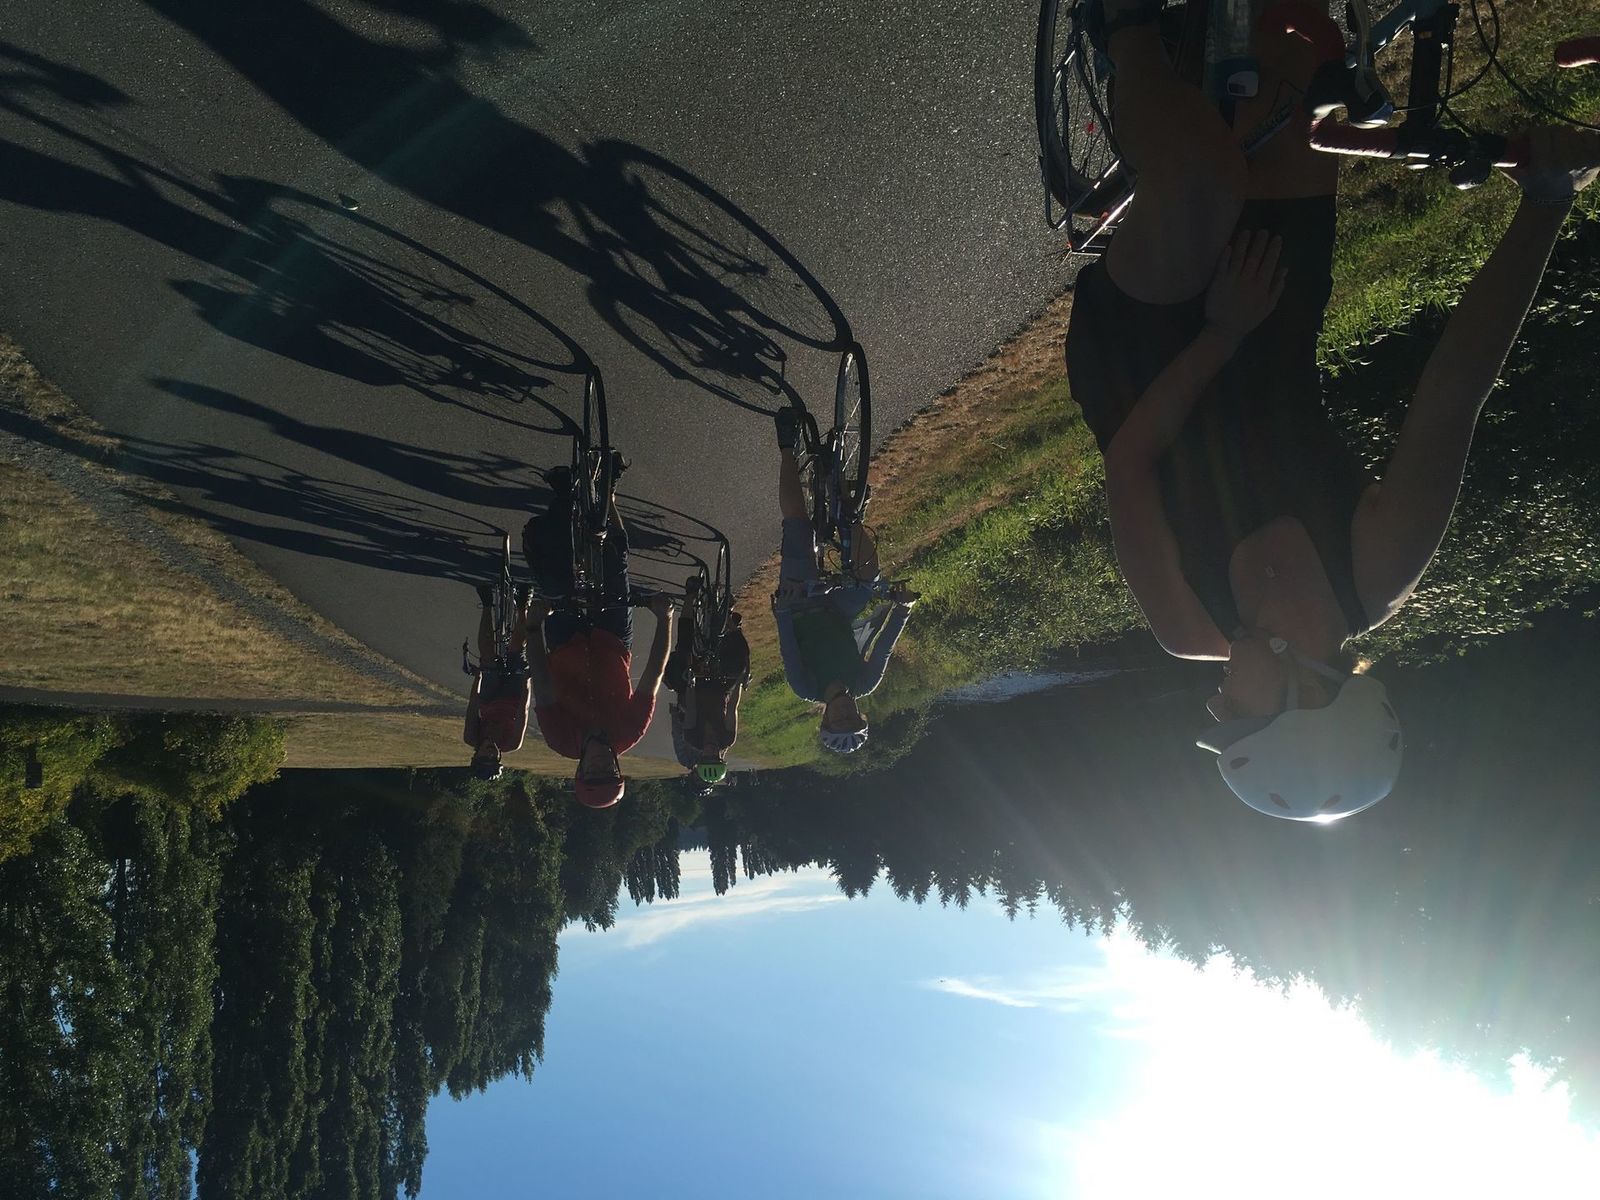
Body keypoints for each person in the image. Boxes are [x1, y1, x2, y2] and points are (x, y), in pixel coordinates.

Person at [1063, 0, 1600, 818]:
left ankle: (1126, 32)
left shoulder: (1186, 624)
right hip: (1271, 313)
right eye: (1235, 718)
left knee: (1204, 180)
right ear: (1306, 693)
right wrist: (1546, 202)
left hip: (1143, 368)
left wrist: (1221, 334)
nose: (1214, 705)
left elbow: (1130, 460)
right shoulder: (1377, 568)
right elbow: (1454, 392)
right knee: (1292, 59)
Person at [522, 464, 675, 808]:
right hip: (612, 640)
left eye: (594, 772)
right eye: (609, 771)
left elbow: (542, 683)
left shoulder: (560, 739)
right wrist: (664, 619)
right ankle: (608, 493)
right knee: (616, 561)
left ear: (580, 771)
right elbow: (653, 674)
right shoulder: (630, 732)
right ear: (618, 769)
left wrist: (533, 627)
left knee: (555, 581)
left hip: (564, 644)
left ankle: (564, 494)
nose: (601, 763)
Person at [771, 408, 918, 754]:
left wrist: (783, 609)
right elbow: (883, 648)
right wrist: (903, 609)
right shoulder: (865, 683)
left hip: (801, 604)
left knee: (798, 525)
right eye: (853, 719)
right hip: (838, 609)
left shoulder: (805, 687)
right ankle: (850, 516)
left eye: (838, 721)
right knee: (869, 576)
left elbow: (789, 647)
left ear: (825, 719)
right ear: (859, 715)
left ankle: (787, 444)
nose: (845, 714)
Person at [665, 598, 751, 785]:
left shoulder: (692, 738)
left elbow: (691, 709)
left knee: (681, 656)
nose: (711, 751)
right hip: (719, 690)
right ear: (721, 757)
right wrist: (740, 682)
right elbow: (732, 708)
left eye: (706, 757)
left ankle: (689, 599)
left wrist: (691, 682)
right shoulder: (727, 738)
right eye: (715, 756)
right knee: (740, 663)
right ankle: (729, 620)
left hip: (694, 692)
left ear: (701, 758)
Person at [462, 584, 532, 781]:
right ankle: (522, 607)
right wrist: (527, 682)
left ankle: (486, 604)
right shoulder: (512, 743)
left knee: (487, 659)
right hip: (513, 698)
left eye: (485, 757)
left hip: (490, 699)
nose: (491, 753)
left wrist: (479, 677)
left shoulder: (471, 737)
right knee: (516, 651)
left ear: (476, 755)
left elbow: (473, 706)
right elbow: (523, 712)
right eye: (494, 758)